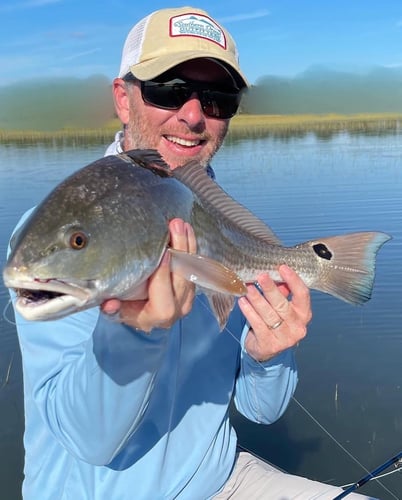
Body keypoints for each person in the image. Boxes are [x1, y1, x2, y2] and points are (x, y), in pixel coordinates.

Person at [9, 7, 376, 500]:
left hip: (222, 481)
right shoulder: (65, 236)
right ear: (123, 98)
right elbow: (87, 441)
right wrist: (134, 334)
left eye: (219, 98)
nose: (193, 115)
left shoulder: (217, 219)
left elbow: (261, 409)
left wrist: (268, 355)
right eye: (169, 90)